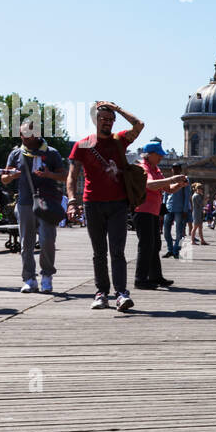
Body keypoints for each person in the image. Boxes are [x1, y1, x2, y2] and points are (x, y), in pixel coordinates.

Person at [66, 101, 144, 311]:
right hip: (92, 203)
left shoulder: (119, 141)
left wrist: (117, 108)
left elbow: (139, 125)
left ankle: (121, 293)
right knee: (98, 252)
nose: (107, 123)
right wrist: (72, 201)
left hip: (118, 203)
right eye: (103, 119)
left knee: (117, 251)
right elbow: (72, 177)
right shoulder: (82, 145)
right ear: (95, 120)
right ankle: (101, 293)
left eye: (111, 119)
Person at [1, 121, 67, 293]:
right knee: (26, 243)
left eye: (31, 134)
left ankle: (47, 275)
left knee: (47, 240)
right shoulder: (16, 153)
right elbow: (4, 179)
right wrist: (11, 176)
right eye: (24, 134)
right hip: (24, 202)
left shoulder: (51, 152)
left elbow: (64, 176)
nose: (28, 138)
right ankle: (29, 278)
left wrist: (49, 175)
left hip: (47, 203)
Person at [133, 140, 187, 290]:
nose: (161, 158)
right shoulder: (143, 167)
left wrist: (179, 185)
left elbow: (167, 189)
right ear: (149, 155)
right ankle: (140, 279)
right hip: (142, 210)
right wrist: (171, 179)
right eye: (159, 155)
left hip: (153, 211)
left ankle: (155, 276)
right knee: (145, 245)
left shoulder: (155, 169)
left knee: (155, 245)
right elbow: (149, 185)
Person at [163, 164, 191, 258]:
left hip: (179, 209)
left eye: (177, 169)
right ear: (171, 170)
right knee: (166, 231)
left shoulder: (185, 179)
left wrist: (185, 209)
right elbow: (166, 193)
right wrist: (163, 207)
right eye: (173, 169)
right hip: (168, 207)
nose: (175, 171)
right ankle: (170, 249)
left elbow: (187, 195)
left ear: (180, 170)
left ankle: (176, 250)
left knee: (179, 232)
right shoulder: (170, 179)